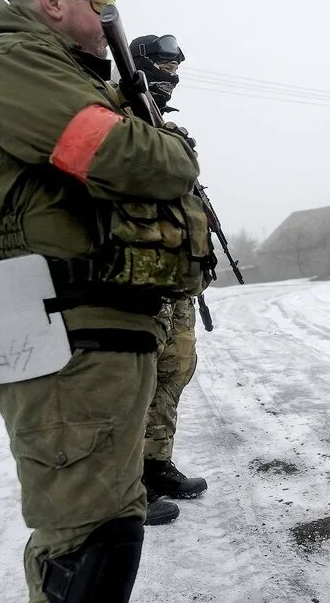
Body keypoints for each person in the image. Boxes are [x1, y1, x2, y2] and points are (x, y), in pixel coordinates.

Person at [0, 0, 209, 601]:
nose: (110, 19)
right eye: (103, 4)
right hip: (60, 327)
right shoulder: (9, 60)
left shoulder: (59, 70)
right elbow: (125, 155)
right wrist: (172, 149)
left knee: (108, 531)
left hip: (88, 325)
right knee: (88, 547)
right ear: (53, 2)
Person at [127, 34, 208, 522]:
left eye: (174, 69)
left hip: (176, 277)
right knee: (135, 381)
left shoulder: (167, 129)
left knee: (176, 369)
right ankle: (126, 483)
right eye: (159, 66)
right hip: (140, 277)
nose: (169, 77)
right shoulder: (125, 122)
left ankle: (156, 464)